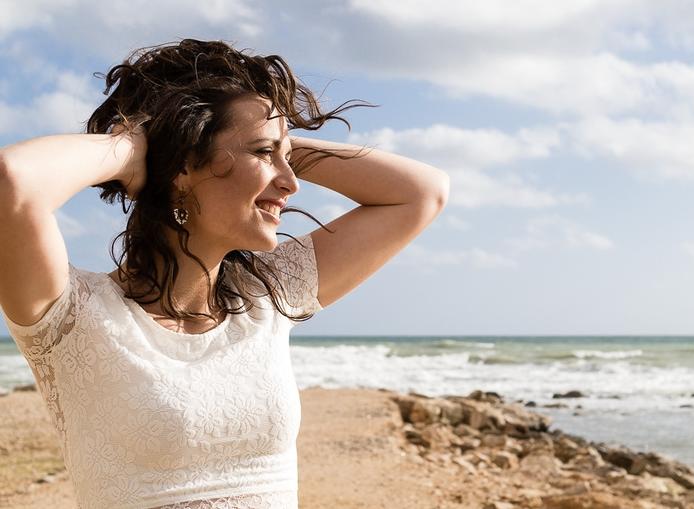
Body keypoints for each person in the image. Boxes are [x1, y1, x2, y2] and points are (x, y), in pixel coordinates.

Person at [0, 39, 449, 508]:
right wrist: (134, 148)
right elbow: (13, 181)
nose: (291, 182)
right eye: (264, 154)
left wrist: (278, 142)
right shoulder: (73, 318)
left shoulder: (269, 297)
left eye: (286, 156)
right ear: (183, 166)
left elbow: (424, 192)